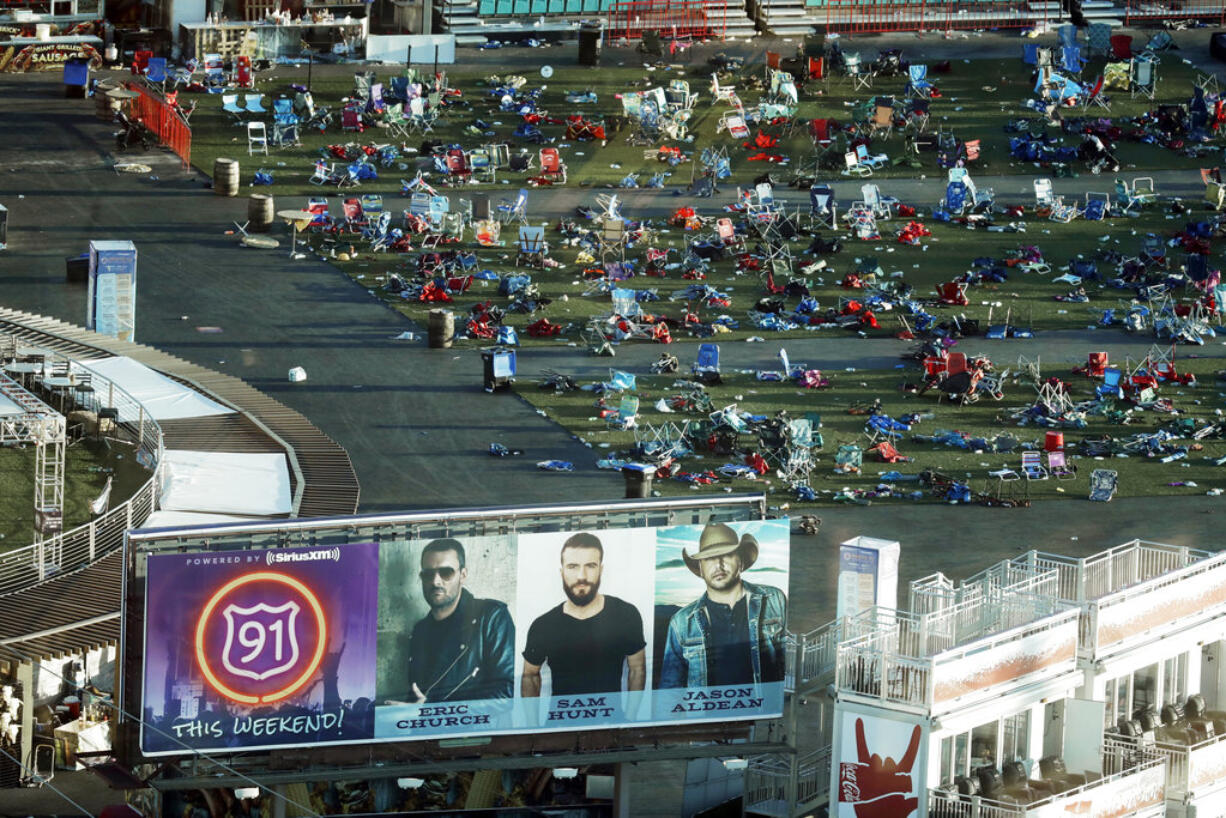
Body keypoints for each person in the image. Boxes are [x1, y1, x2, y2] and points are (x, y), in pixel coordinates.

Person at [660, 522, 787, 689]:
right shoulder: (681, 622)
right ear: (700, 568)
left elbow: (787, 660)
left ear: (740, 561)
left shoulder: (773, 599)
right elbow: (670, 689)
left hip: (762, 710)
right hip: (706, 713)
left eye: (726, 555)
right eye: (709, 558)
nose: (718, 565)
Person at [521, 532, 646, 698]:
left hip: (611, 722)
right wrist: (533, 725)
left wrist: (631, 721)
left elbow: (637, 669)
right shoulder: (544, 625)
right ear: (562, 572)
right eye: (573, 566)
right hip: (561, 723)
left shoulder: (625, 614)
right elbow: (529, 676)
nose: (582, 576)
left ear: (601, 569)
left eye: (590, 566)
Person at [390, 538, 515, 704]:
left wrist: (431, 712)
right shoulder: (420, 631)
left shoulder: (492, 616)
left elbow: (505, 694)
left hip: (475, 729)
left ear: (462, 575)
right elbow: (417, 698)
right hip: (425, 729)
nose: (435, 581)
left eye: (446, 573)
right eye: (428, 574)